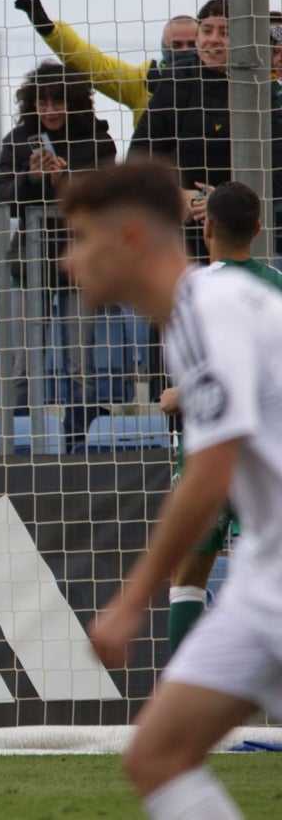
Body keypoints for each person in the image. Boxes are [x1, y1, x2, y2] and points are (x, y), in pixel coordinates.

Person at [70, 160, 282, 820]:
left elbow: (210, 474)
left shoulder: (206, 308)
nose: (66, 260)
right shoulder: (202, 309)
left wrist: (131, 601)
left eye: (80, 238)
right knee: (156, 755)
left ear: (130, 238)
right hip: (265, 572)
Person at [155, 182, 282, 656]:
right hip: (268, 453)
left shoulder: (194, 290)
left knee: (187, 576)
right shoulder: (275, 284)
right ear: (258, 228)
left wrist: (179, 394)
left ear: (205, 227)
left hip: (209, 452)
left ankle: (182, 704)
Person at [0, 61, 116, 446]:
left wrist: (66, 181)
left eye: (58, 102)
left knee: (79, 364)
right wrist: (32, 177)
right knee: (21, 365)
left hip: (82, 263)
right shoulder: (18, 140)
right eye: (43, 102)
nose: (49, 110)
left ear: (75, 103)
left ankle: (77, 443)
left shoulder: (98, 141)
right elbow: (4, 199)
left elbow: (105, 199)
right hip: (29, 264)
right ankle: (14, 449)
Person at [128, 0, 282, 263]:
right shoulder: (174, 84)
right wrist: (179, 195)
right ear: (198, 36)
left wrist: (224, 201)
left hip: (248, 238)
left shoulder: (266, 92)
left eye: (226, 32)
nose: (213, 39)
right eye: (207, 30)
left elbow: (278, 173)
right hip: (177, 239)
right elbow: (139, 158)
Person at [14, 0, 196, 127]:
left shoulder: (221, 77)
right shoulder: (142, 82)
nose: (184, 51)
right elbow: (96, 65)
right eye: (176, 45)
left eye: (192, 45)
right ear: (164, 47)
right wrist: (50, 31)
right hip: (157, 173)